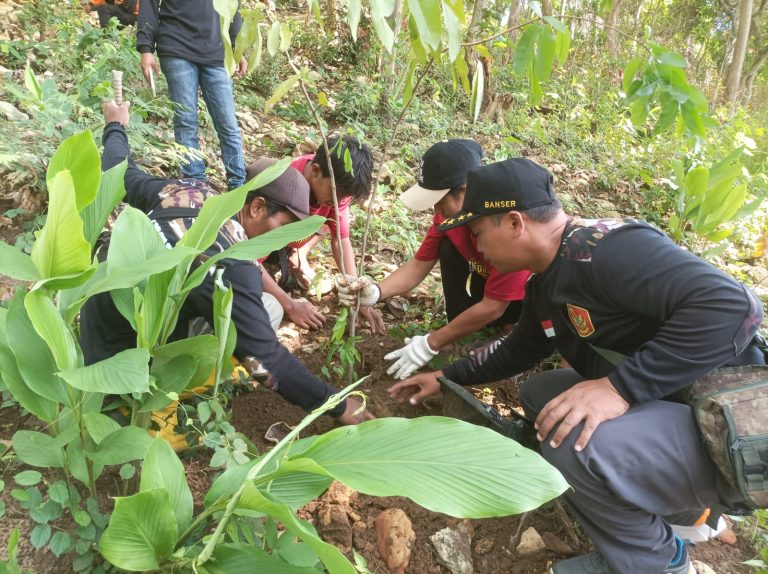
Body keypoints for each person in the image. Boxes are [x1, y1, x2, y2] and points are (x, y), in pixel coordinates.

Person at [388, 158, 766, 573]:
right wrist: (445, 376)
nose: (476, 247)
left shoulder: (607, 249)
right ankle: (685, 517)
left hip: (731, 423)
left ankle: (660, 564)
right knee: (542, 395)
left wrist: (619, 389)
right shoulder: (547, 279)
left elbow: (732, 305)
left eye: (479, 233)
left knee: (571, 446)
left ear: (514, 222)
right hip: (680, 405)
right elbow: (519, 350)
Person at [80, 101, 372, 426]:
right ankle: (150, 402)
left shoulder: (189, 190)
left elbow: (119, 171)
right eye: (285, 228)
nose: (287, 242)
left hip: (96, 325)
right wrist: (335, 405)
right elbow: (267, 363)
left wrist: (115, 126)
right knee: (260, 323)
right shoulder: (232, 264)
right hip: (124, 361)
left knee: (267, 308)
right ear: (257, 207)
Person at [335, 140, 531, 380]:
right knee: (448, 248)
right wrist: (374, 292)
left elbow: (494, 306)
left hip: (525, 301)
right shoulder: (449, 219)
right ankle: (467, 329)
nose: (436, 212)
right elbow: (418, 265)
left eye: (440, 202)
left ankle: (514, 338)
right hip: (489, 287)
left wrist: (431, 342)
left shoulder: (504, 227)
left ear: (466, 190)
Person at [259, 135, 385, 332]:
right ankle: (291, 252)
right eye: (338, 194)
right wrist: (290, 305)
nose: (339, 201)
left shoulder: (335, 190)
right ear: (316, 171)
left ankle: (298, 253)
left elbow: (341, 238)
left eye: (344, 197)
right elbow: (249, 262)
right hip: (268, 241)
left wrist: (356, 295)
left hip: (294, 238)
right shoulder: (283, 189)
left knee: (328, 224)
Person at [136, 0, 247, 190]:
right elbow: (149, 4)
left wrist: (238, 49)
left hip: (217, 51)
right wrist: (145, 48)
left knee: (228, 124)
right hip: (176, 46)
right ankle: (195, 185)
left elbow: (232, 6)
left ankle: (238, 187)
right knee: (186, 121)